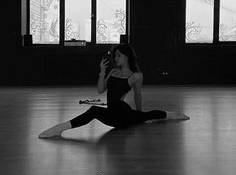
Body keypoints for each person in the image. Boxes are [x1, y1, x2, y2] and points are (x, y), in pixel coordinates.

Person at [39, 44, 189, 139]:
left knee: (146, 115)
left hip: (122, 114)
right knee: (143, 116)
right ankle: (171, 115)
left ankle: (174, 114)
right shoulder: (113, 72)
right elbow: (100, 90)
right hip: (113, 113)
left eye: (119, 55)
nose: (115, 58)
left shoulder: (136, 76)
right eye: (115, 55)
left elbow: (138, 95)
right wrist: (102, 72)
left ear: (127, 57)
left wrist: (140, 112)